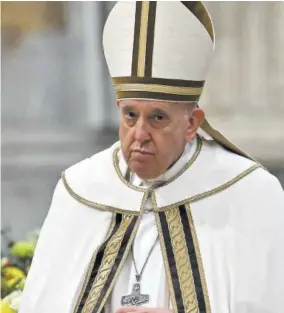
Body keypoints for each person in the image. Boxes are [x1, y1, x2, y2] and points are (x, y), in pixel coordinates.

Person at [19, 2, 284, 313]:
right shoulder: (80, 190)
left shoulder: (249, 194)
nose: (140, 134)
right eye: (130, 115)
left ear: (192, 124)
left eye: (158, 118)